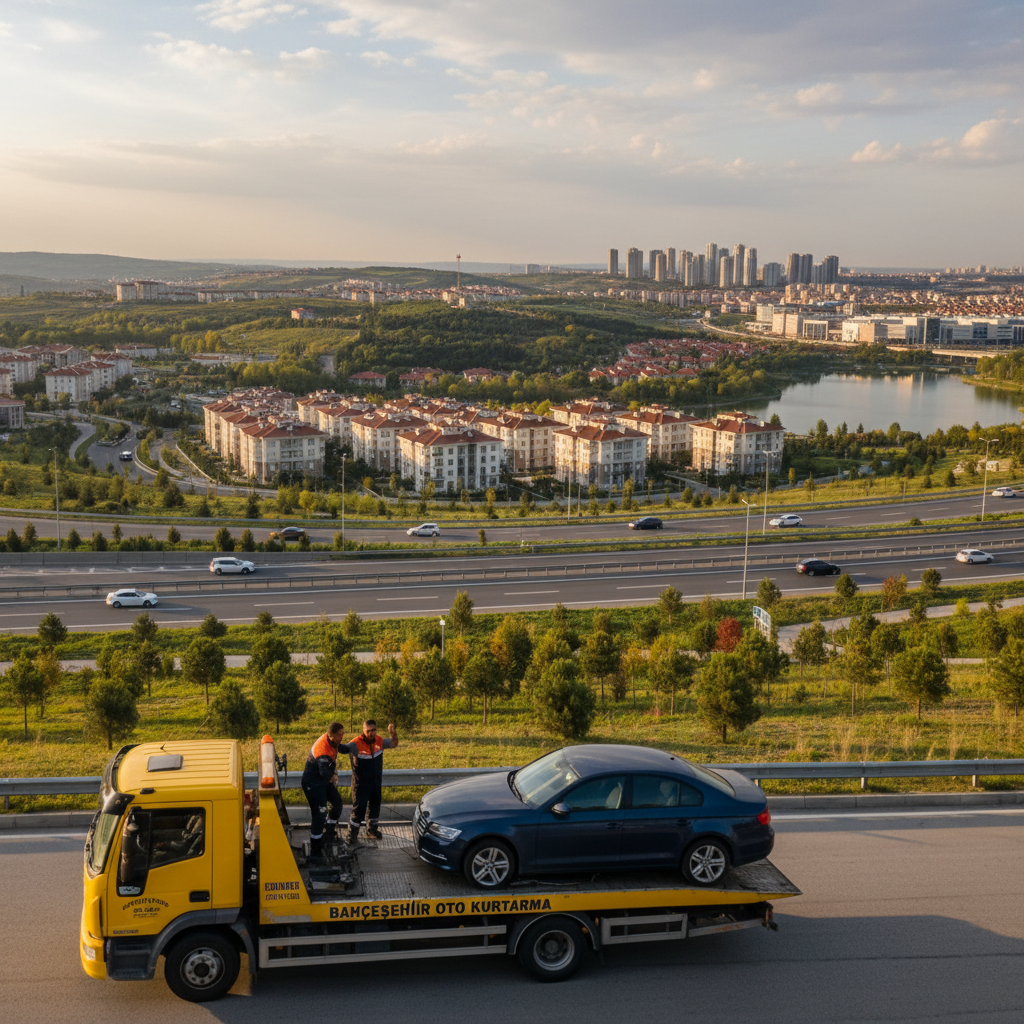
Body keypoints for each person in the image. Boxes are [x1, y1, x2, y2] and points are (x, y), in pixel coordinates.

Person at [346, 719, 398, 843]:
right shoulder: (355, 743)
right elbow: (342, 748)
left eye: (373, 730)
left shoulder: (379, 741)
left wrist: (393, 734)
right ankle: (351, 835)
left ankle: (372, 829)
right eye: (368, 731)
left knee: (375, 806)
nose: (371, 733)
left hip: (375, 781)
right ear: (363, 731)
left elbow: (394, 743)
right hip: (361, 783)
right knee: (359, 809)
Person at [301, 721, 347, 859]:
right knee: (320, 814)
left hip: (322, 781)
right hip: (313, 783)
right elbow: (325, 774)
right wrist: (334, 776)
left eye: (343, 733)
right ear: (331, 735)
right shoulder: (323, 751)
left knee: (337, 803)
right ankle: (316, 850)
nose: (342, 737)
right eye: (339, 735)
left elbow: (338, 750)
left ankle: (329, 833)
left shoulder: (332, 741)